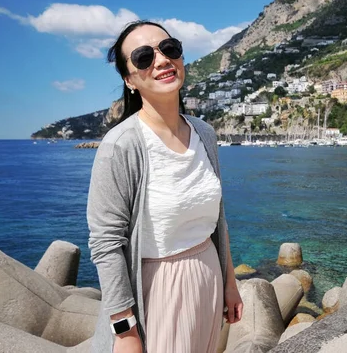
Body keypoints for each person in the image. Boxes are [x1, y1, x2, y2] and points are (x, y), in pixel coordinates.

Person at [87, 20, 243, 353]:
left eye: (169, 48)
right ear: (130, 80)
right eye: (144, 57)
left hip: (209, 276)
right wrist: (124, 330)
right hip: (157, 292)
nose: (161, 60)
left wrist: (230, 283)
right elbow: (105, 243)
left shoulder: (204, 132)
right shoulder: (121, 146)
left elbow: (218, 215)